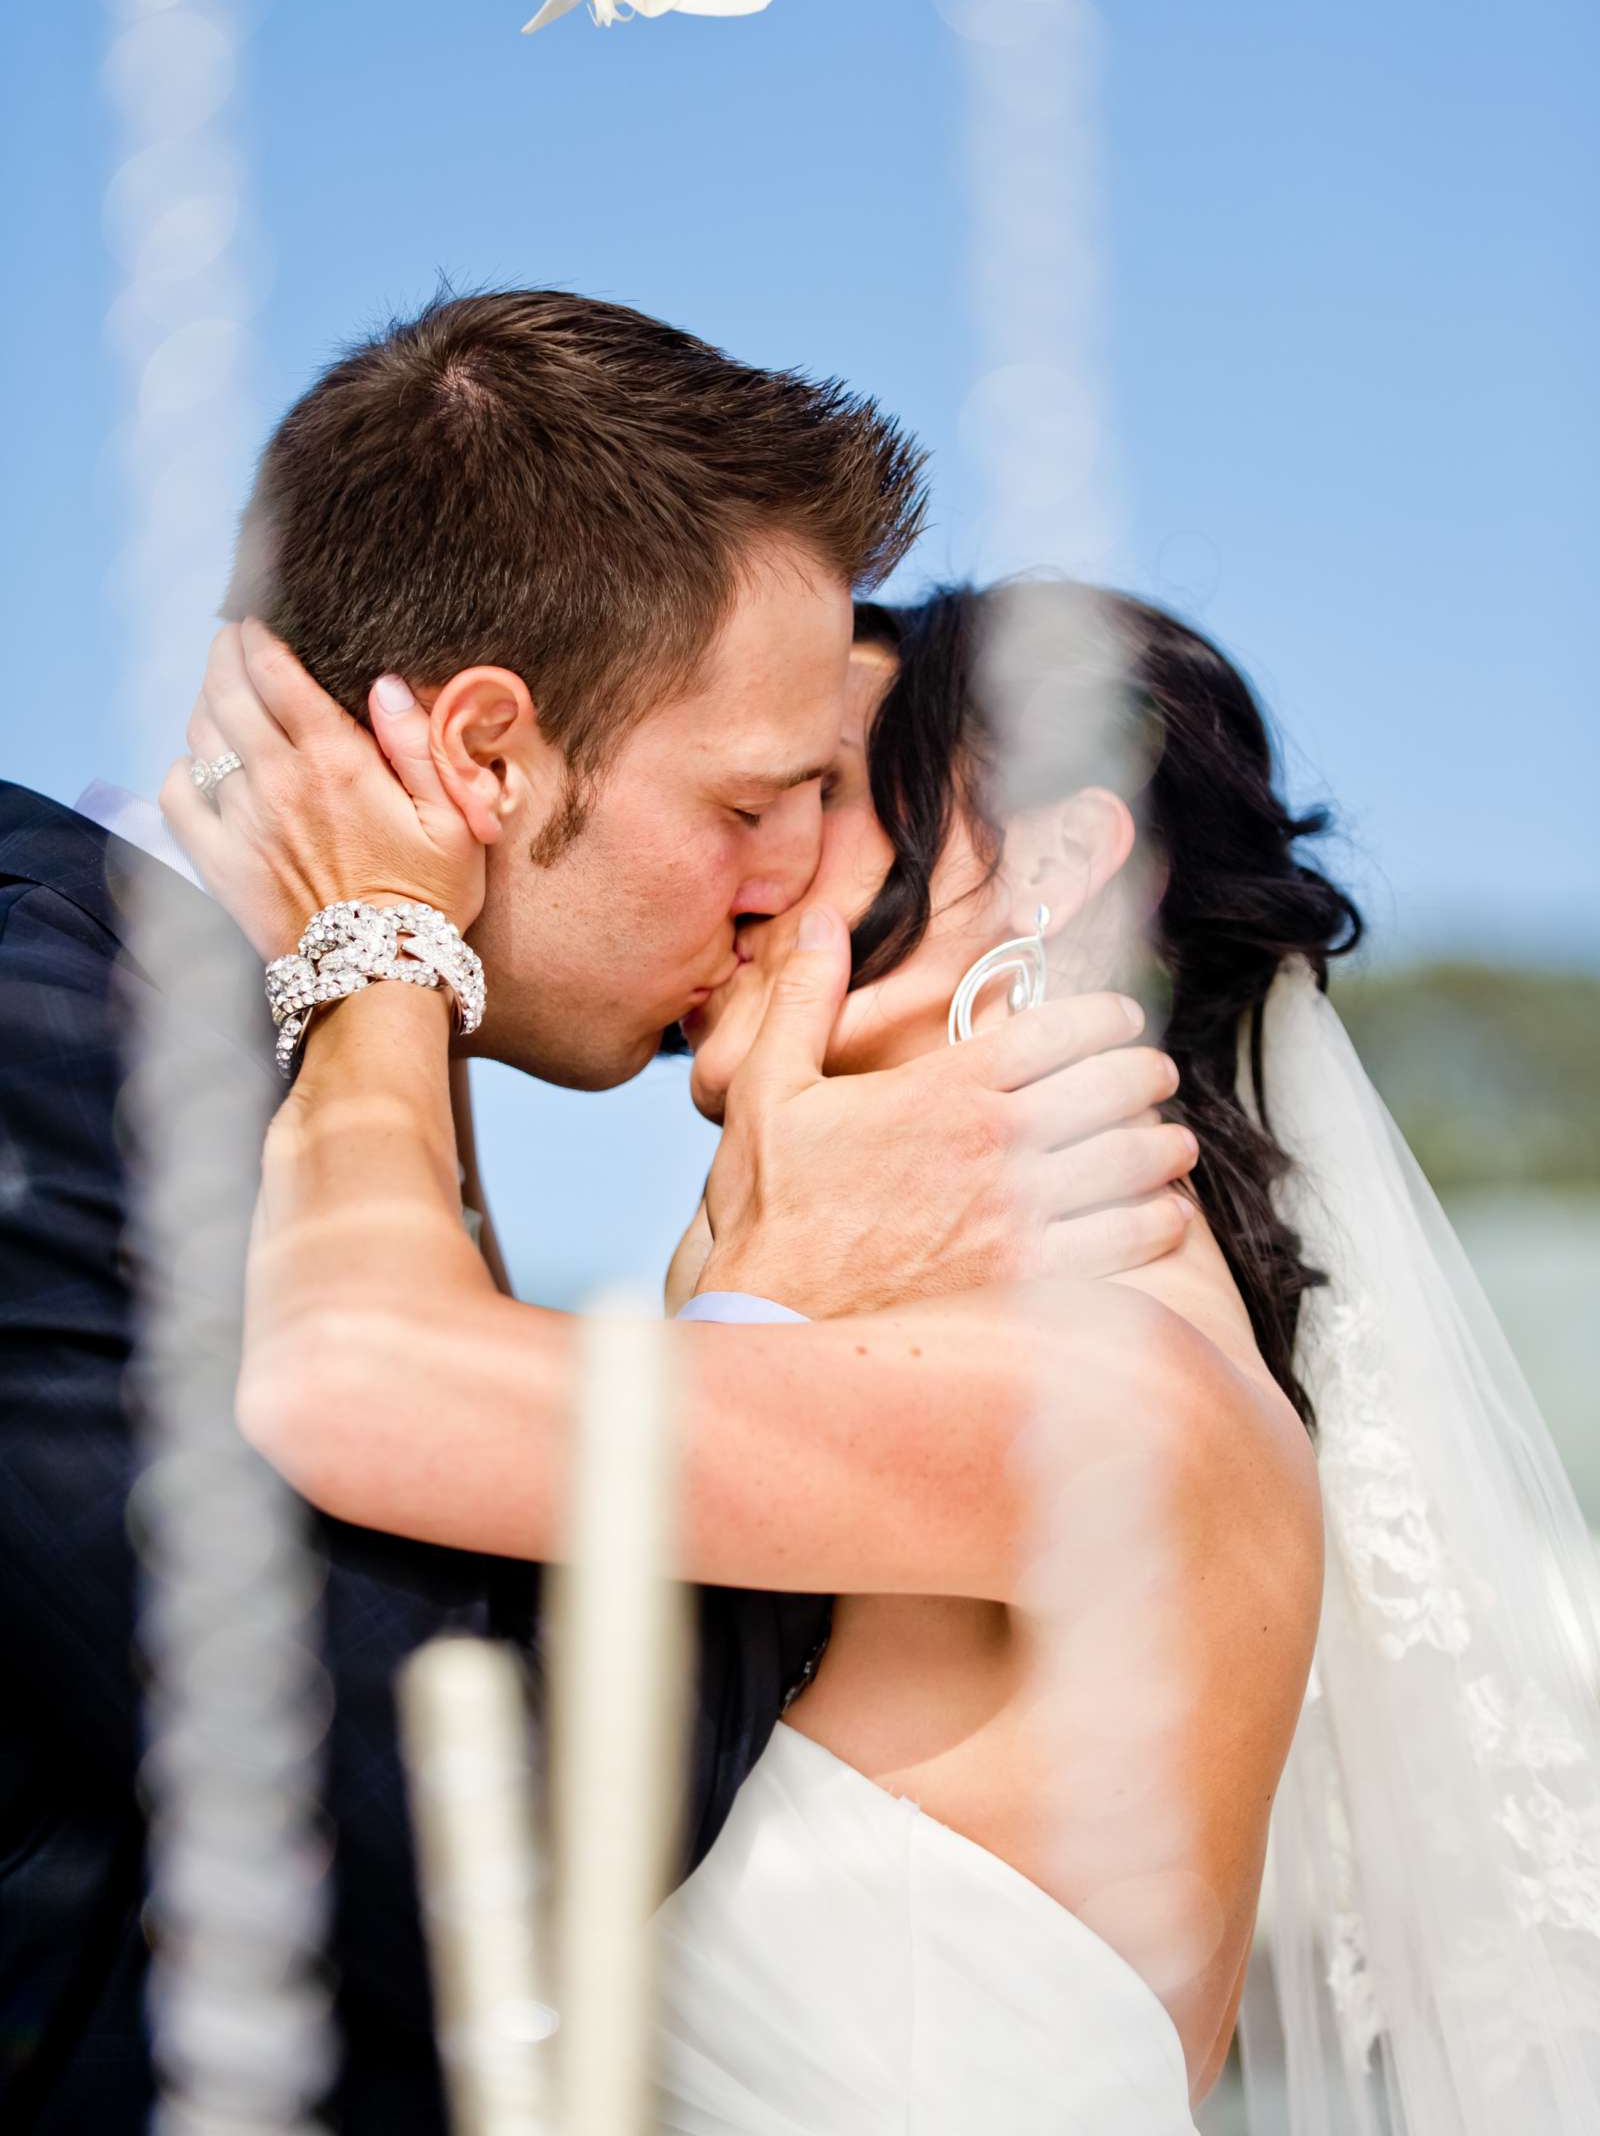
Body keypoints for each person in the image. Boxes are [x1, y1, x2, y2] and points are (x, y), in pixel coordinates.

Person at [176, 573, 1600, 2133]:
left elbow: (356, 1380)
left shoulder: (1095, 1387)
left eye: (816, 793)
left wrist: (372, 935)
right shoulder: (878, 1359)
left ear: (1050, 858)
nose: (750, 866)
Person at [0, 294, 1189, 2132]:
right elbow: (473, 1833)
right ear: (486, 755)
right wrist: (777, 1311)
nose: (790, 888)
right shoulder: (40, 1042)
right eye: (754, 800)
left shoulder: (312, 1088)